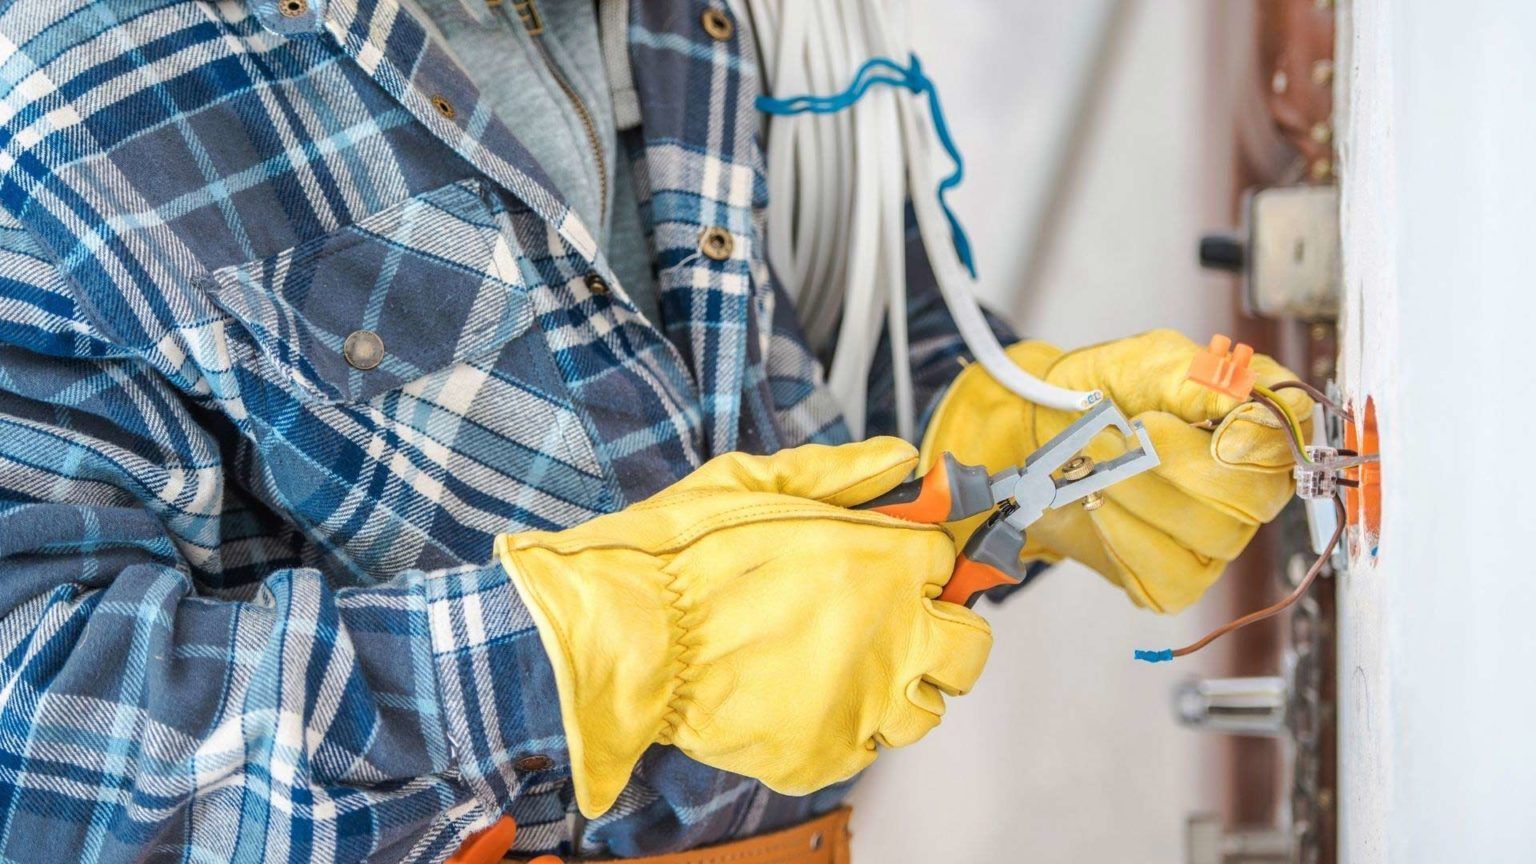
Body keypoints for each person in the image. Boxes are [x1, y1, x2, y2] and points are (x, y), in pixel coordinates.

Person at [0, 1, 1310, 861]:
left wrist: (1017, 451)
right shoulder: (58, 90)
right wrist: (602, 655)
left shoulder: (726, 21)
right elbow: (37, 738)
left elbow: (826, 374)